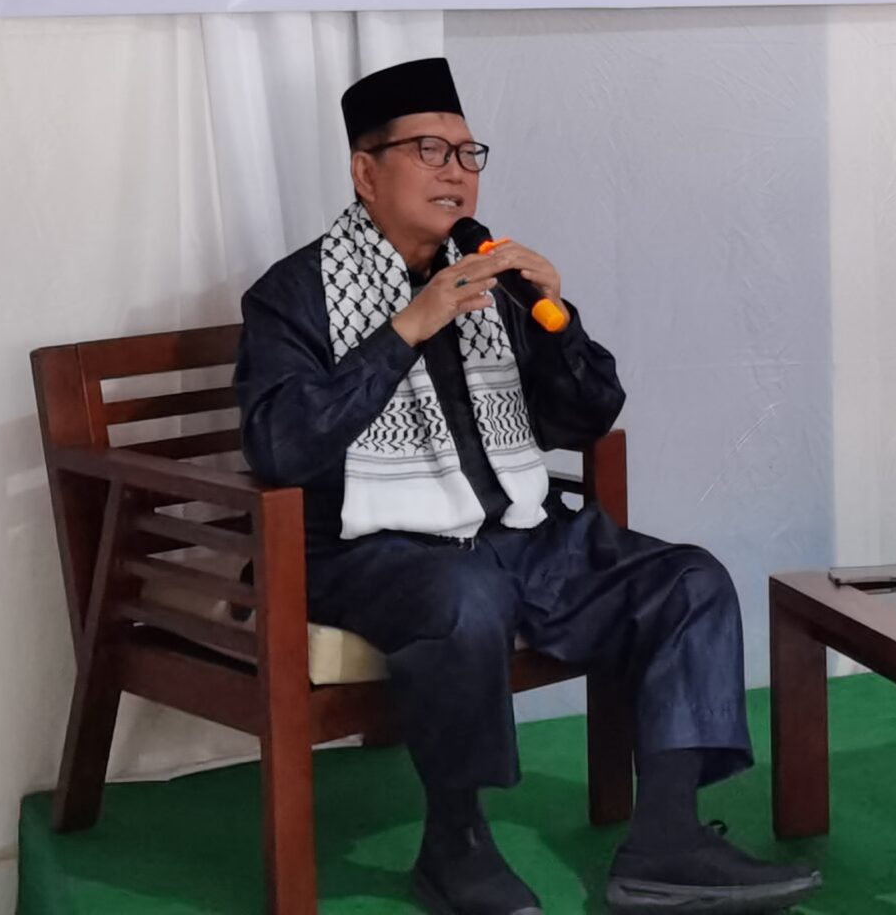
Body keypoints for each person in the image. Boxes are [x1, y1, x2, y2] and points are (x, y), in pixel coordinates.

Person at [235, 57, 821, 915]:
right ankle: (455, 845)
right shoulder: (292, 295)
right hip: (367, 553)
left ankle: (666, 841)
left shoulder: (494, 279)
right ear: (365, 171)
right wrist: (409, 327)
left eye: (468, 154)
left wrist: (556, 318)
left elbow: (589, 415)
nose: (455, 171)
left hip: (520, 535)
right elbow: (281, 445)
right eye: (429, 150)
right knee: (462, 597)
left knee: (687, 581)